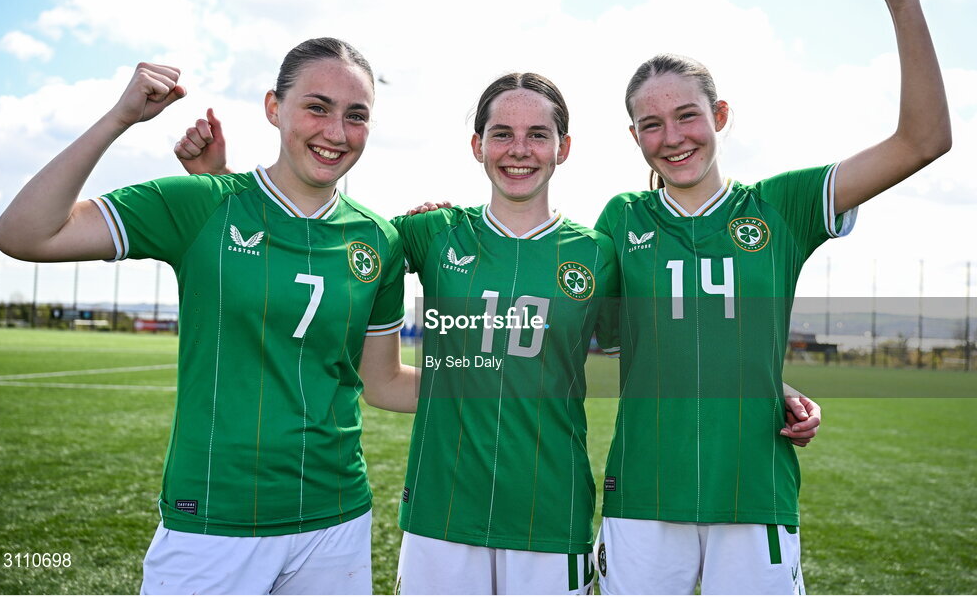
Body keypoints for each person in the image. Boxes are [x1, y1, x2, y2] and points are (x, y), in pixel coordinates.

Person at [175, 72, 821, 594]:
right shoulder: (427, 234)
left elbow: (674, 343)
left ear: (562, 147)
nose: (520, 149)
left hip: (551, 515)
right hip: (439, 517)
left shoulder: (598, 251)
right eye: (502, 133)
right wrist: (215, 185)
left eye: (538, 134)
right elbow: (310, 242)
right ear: (477, 145)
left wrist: (769, 381)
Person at [0, 37, 419, 595]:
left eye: (355, 116)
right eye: (317, 107)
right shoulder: (201, 202)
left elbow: (383, 382)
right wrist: (121, 118)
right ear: (273, 108)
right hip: (213, 518)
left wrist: (508, 378)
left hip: (336, 518)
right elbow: (22, 233)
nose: (336, 132)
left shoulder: (377, 239)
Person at [593, 0, 951, 595]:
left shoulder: (781, 207)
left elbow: (924, 141)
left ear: (720, 114)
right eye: (650, 125)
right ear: (634, 136)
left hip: (753, 495)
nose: (672, 138)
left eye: (687, 116)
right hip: (642, 496)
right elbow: (592, 323)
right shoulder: (622, 219)